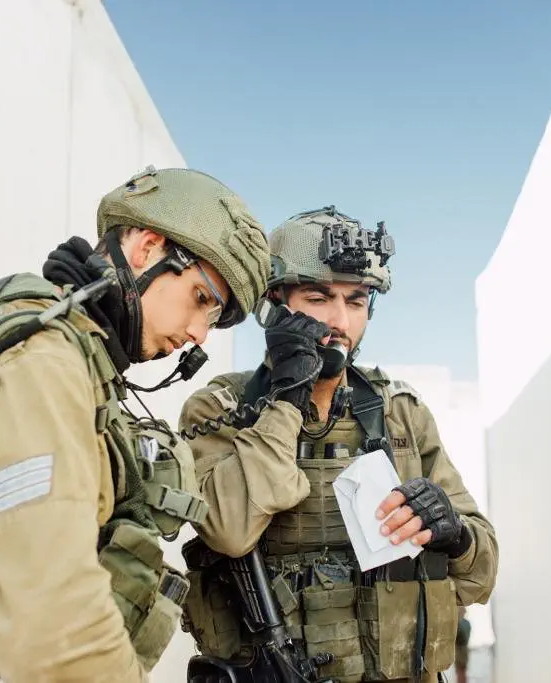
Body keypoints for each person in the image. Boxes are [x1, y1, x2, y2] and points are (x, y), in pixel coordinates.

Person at [0, 166, 272, 683]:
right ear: (147, 249)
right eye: (202, 299)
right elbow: (55, 620)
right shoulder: (49, 355)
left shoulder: (59, 340)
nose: (199, 334)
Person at [178, 205, 498, 683]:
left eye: (356, 301)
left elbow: (481, 576)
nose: (339, 321)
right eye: (318, 297)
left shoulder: (401, 412)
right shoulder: (220, 409)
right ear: (274, 304)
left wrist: (454, 533)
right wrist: (287, 400)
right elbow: (230, 531)